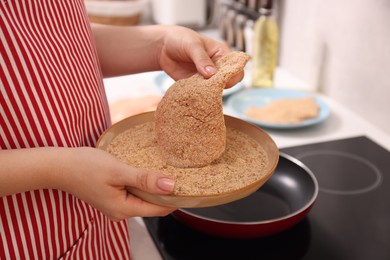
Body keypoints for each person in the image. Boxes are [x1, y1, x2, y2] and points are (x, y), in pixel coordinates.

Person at [0, 1, 244, 259]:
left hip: (93, 211)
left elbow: (39, 37)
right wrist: (59, 169)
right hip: (24, 231)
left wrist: (159, 44)